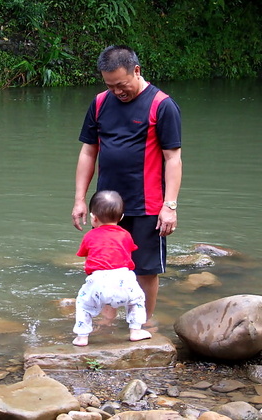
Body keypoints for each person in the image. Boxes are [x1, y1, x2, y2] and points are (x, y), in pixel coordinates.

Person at [72, 45, 182, 321]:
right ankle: (107, 323)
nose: (117, 91)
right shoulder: (99, 103)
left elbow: (173, 159)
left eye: (121, 85)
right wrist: (79, 199)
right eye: (110, 86)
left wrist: (169, 206)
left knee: (146, 269)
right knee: (108, 265)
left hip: (148, 204)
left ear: (136, 70)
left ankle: (143, 323)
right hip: (108, 206)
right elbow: (88, 151)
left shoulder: (161, 105)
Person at [73, 190, 151, 346]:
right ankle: (135, 330)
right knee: (137, 300)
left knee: (83, 303)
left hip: (99, 280)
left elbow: (84, 255)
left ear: (93, 217)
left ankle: (82, 336)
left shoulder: (90, 236)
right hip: (124, 278)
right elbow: (129, 253)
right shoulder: (125, 235)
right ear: (121, 217)